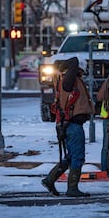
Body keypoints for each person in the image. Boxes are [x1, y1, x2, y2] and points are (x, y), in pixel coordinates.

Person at [41, 57, 95, 197]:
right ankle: (72, 188)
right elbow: (75, 60)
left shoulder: (65, 81)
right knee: (78, 157)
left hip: (67, 124)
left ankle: (50, 179)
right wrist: (63, 64)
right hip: (73, 125)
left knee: (70, 157)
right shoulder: (68, 81)